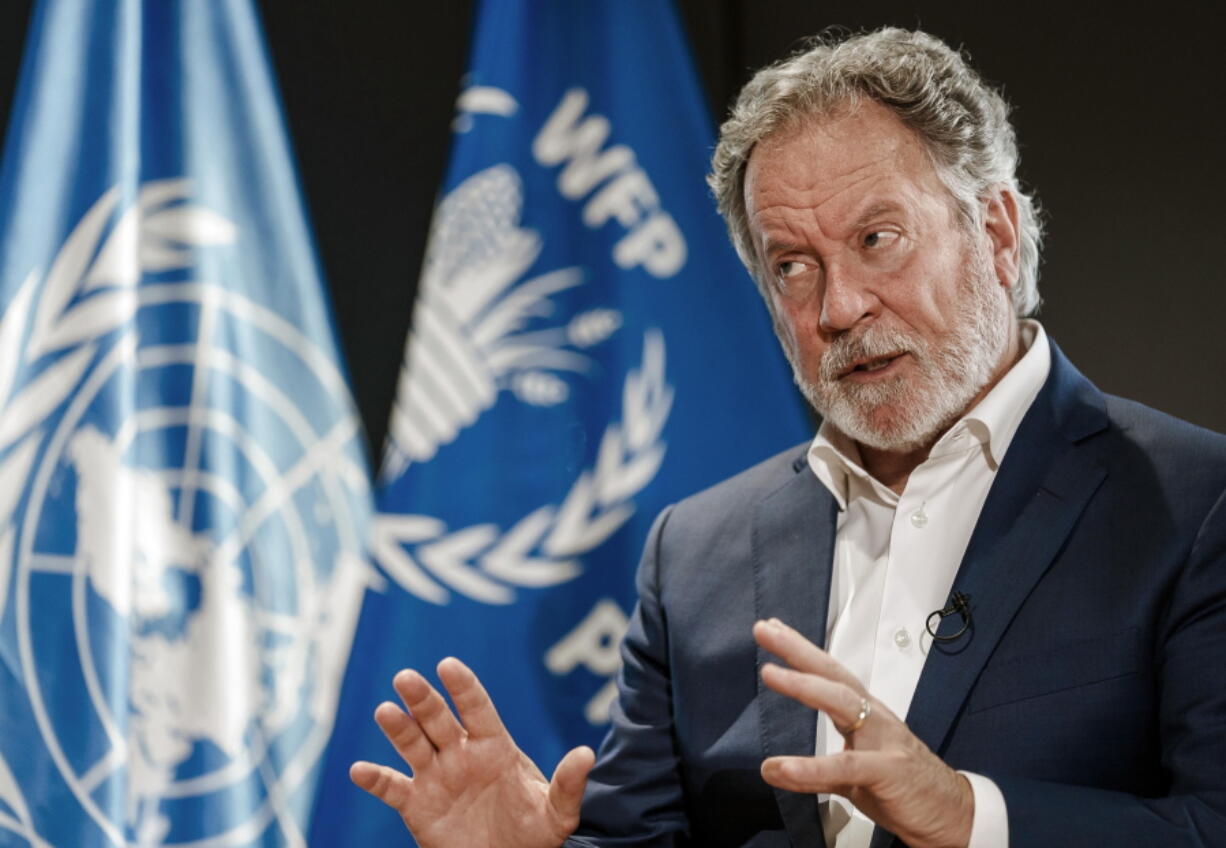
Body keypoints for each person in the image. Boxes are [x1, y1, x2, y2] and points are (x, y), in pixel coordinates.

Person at [349, 28, 1226, 847]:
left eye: (877, 239)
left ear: (994, 234)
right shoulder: (693, 553)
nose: (838, 308)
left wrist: (969, 817)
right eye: (792, 267)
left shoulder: (1194, 506)